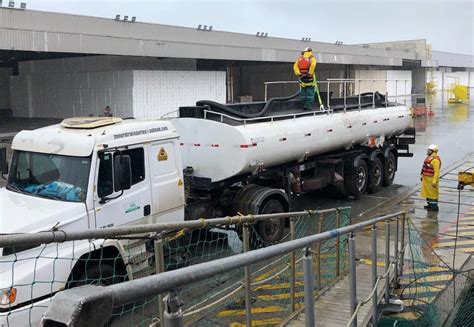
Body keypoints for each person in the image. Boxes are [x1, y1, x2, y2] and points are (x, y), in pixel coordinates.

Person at [420, 144, 441, 211]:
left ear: (433, 151)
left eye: (429, 150)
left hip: (431, 180)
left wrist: (434, 181)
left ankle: (434, 207)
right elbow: (424, 168)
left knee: (432, 194)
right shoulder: (429, 158)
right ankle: (429, 205)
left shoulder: (435, 161)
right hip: (426, 180)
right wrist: (422, 176)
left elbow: (436, 172)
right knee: (428, 193)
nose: (428, 151)